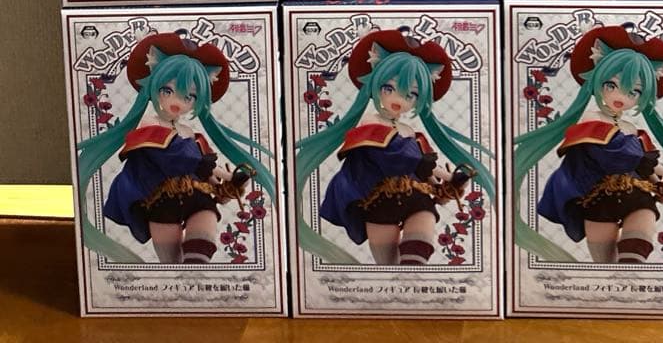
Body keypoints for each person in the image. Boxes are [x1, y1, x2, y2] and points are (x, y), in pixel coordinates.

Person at [513, 24, 663, 264]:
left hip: (637, 197)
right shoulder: (591, 120)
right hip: (599, 200)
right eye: (611, 85)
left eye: (634, 92)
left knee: (635, 252)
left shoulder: (633, 130)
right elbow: (625, 155)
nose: (621, 96)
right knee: (605, 266)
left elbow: (644, 168)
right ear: (597, 81)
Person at [295, 28, 494, 265]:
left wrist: (447, 188)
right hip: (380, 201)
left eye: (411, 94)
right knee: (388, 266)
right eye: (389, 88)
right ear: (375, 85)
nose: (399, 99)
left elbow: (426, 173)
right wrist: (447, 175)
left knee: (417, 250)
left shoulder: (411, 133)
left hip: (416, 198)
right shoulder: (370, 123)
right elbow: (403, 157)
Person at [77, 31, 275, 264]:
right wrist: (220, 172)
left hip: (198, 198)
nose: (177, 102)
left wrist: (229, 184)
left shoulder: (191, 134)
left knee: (199, 251)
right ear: (154, 88)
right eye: (168, 91)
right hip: (163, 201)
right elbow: (178, 156)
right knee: (172, 264)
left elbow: (205, 171)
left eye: (189, 97)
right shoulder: (149, 126)